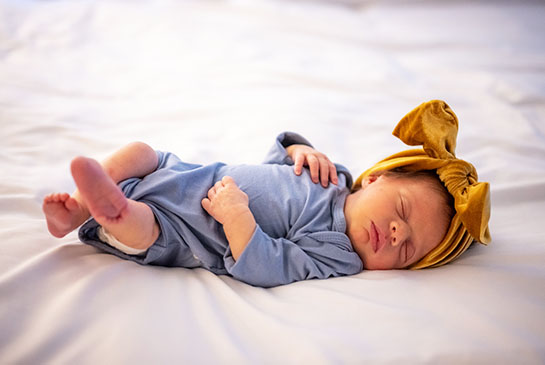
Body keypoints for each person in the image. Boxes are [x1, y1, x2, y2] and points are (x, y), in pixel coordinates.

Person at [42, 100, 491, 287]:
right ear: (374, 180)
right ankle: (81, 206)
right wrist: (301, 147)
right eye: (402, 211)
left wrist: (237, 216)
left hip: (188, 230)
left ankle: (110, 210)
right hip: (181, 175)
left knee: (141, 226)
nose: (395, 233)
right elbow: (274, 160)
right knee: (142, 151)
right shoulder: (333, 175)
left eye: (408, 248)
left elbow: (268, 267)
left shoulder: (340, 253)